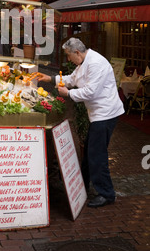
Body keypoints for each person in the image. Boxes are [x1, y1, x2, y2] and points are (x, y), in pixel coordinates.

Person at [38, 37, 124, 208]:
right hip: (98, 114)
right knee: (91, 152)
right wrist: (50, 79)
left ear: (77, 52)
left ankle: (107, 194)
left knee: (96, 154)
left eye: (69, 56)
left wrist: (68, 94)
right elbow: (71, 79)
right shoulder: (83, 62)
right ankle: (81, 186)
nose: (68, 59)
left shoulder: (96, 63)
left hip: (105, 114)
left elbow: (90, 92)